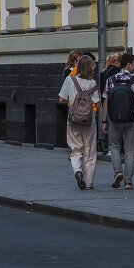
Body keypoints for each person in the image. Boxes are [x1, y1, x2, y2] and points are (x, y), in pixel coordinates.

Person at [102, 52, 134, 190]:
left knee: (114, 147)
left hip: (114, 119)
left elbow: (106, 102)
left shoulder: (111, 79)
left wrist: (104, 121)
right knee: (130, 150)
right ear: (128, 64)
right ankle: (128, 181)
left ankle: (118, 171)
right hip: (132, 119)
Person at [58, 55, 99, 190]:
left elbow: (61, 100)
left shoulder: (70, 80)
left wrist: (72, 100)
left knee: (75, 148)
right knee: (90, 151)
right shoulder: (92, 83)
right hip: (89, 120)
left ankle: (77, 171)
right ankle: (88, 183)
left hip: (73, 119)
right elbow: (98, 104)